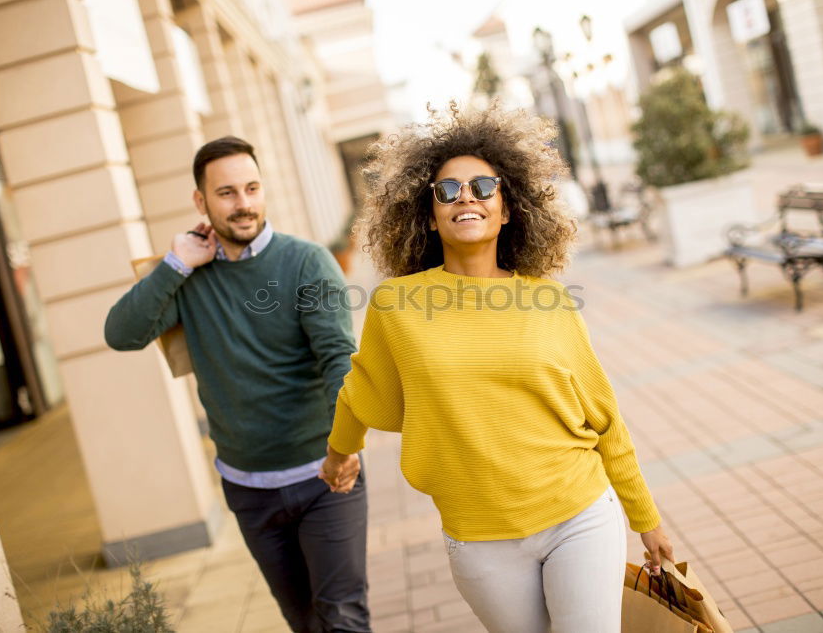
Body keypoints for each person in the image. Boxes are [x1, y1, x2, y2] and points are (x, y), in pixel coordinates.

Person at [320, 106, 672, 633]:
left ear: (507, 210)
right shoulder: (395, 306)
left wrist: (646, 519)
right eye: (447, 190)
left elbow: (603, 418)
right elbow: (361, 394)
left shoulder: (549, 300)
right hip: (479, 534)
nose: (466, 196)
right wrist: (339, 454)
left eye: (484, 186)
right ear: (429, 214)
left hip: (578, 513)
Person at [104, 136, 370, 633]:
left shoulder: (306, 262)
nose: (244, 204)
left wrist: (346, 445)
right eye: (227, 193)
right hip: (248, 489)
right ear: (200, 202)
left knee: (344, 616)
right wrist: (176, 264)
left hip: (324, 476)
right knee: (304, 621)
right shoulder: (188, 275)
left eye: (251, 188)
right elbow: (121, 334)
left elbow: (339, 360)